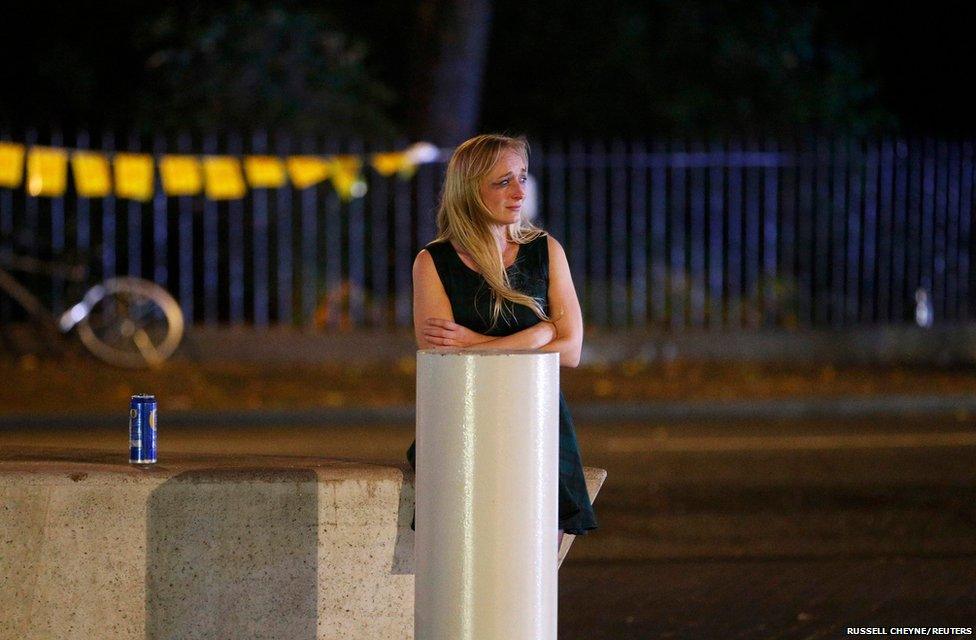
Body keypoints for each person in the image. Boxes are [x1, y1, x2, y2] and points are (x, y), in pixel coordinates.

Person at [407, 133, 598, 549]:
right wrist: (539, 332)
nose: (520, 192)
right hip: (464, 425)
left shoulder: (545, 250)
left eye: (522, 177)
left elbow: (572, 350)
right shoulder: (433, 262)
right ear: (470, 189)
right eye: (503, 182)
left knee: (531, 577)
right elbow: (443, 358)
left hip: (537, 425)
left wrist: (477, 344)